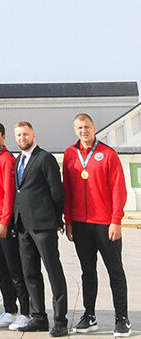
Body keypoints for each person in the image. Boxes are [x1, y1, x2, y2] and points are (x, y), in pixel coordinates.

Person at [63, 113, 129, 338]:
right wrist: (69, 222)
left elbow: (118, 189)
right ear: (74, 129)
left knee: (115, 272)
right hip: (81, 225)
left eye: (87, 127)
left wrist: (116, 220)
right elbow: (68, 191)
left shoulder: (108, 154)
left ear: (94, 127)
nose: (84, 131)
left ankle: (122, 319)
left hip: (105, 224)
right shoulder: (70, 155)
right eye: (80, 127)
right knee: (87, 272)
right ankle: (89, 316)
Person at [13, 120, 68, 336]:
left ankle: (60, 321)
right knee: (30, 273)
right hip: (23, 227)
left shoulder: (45, 158)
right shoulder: (18, 160)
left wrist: (55, 219)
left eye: (25, 134)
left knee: (54, 272)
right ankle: (39, 317)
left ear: (33, 135)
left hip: (43, 226)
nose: (22, 138)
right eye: (18, 135)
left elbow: (57, 192)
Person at [0, 121, 30, 330]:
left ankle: (25, 312)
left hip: (3, 222)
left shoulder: (8, 160)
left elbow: (10, 194)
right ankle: (10, 310)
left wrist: (4, 221)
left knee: (14, 269)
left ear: (3, 137)